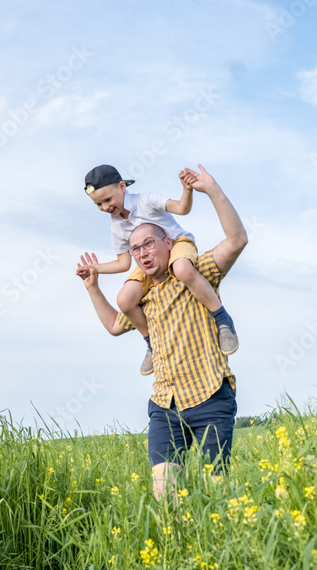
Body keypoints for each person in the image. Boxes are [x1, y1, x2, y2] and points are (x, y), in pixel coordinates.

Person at [76, 165, 248, 499]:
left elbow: (237, 240)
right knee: (165, 494)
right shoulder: (141, 298)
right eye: (136, 249)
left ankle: (222, 319)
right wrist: (93, 287)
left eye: (148, 244)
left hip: (209, 394)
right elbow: (113, 325)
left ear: (168, 242)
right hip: (165, 404)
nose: (142, 253)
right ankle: (176, 539)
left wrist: (211, 189)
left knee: (216, 492)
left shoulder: (197, 273)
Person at [82, 164, 238, 377]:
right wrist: (95, 269)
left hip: (177, 243)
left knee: (182, 269)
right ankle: (151, 342)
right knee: (124, 299)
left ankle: (221, 318)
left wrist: (187, 190)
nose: (104, 207)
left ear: (122, 186)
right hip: (150, 259)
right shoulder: (117, 227)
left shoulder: (145, 201)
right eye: (98, 204)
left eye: (107, 200)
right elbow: (123, 263)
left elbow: (182, 209)